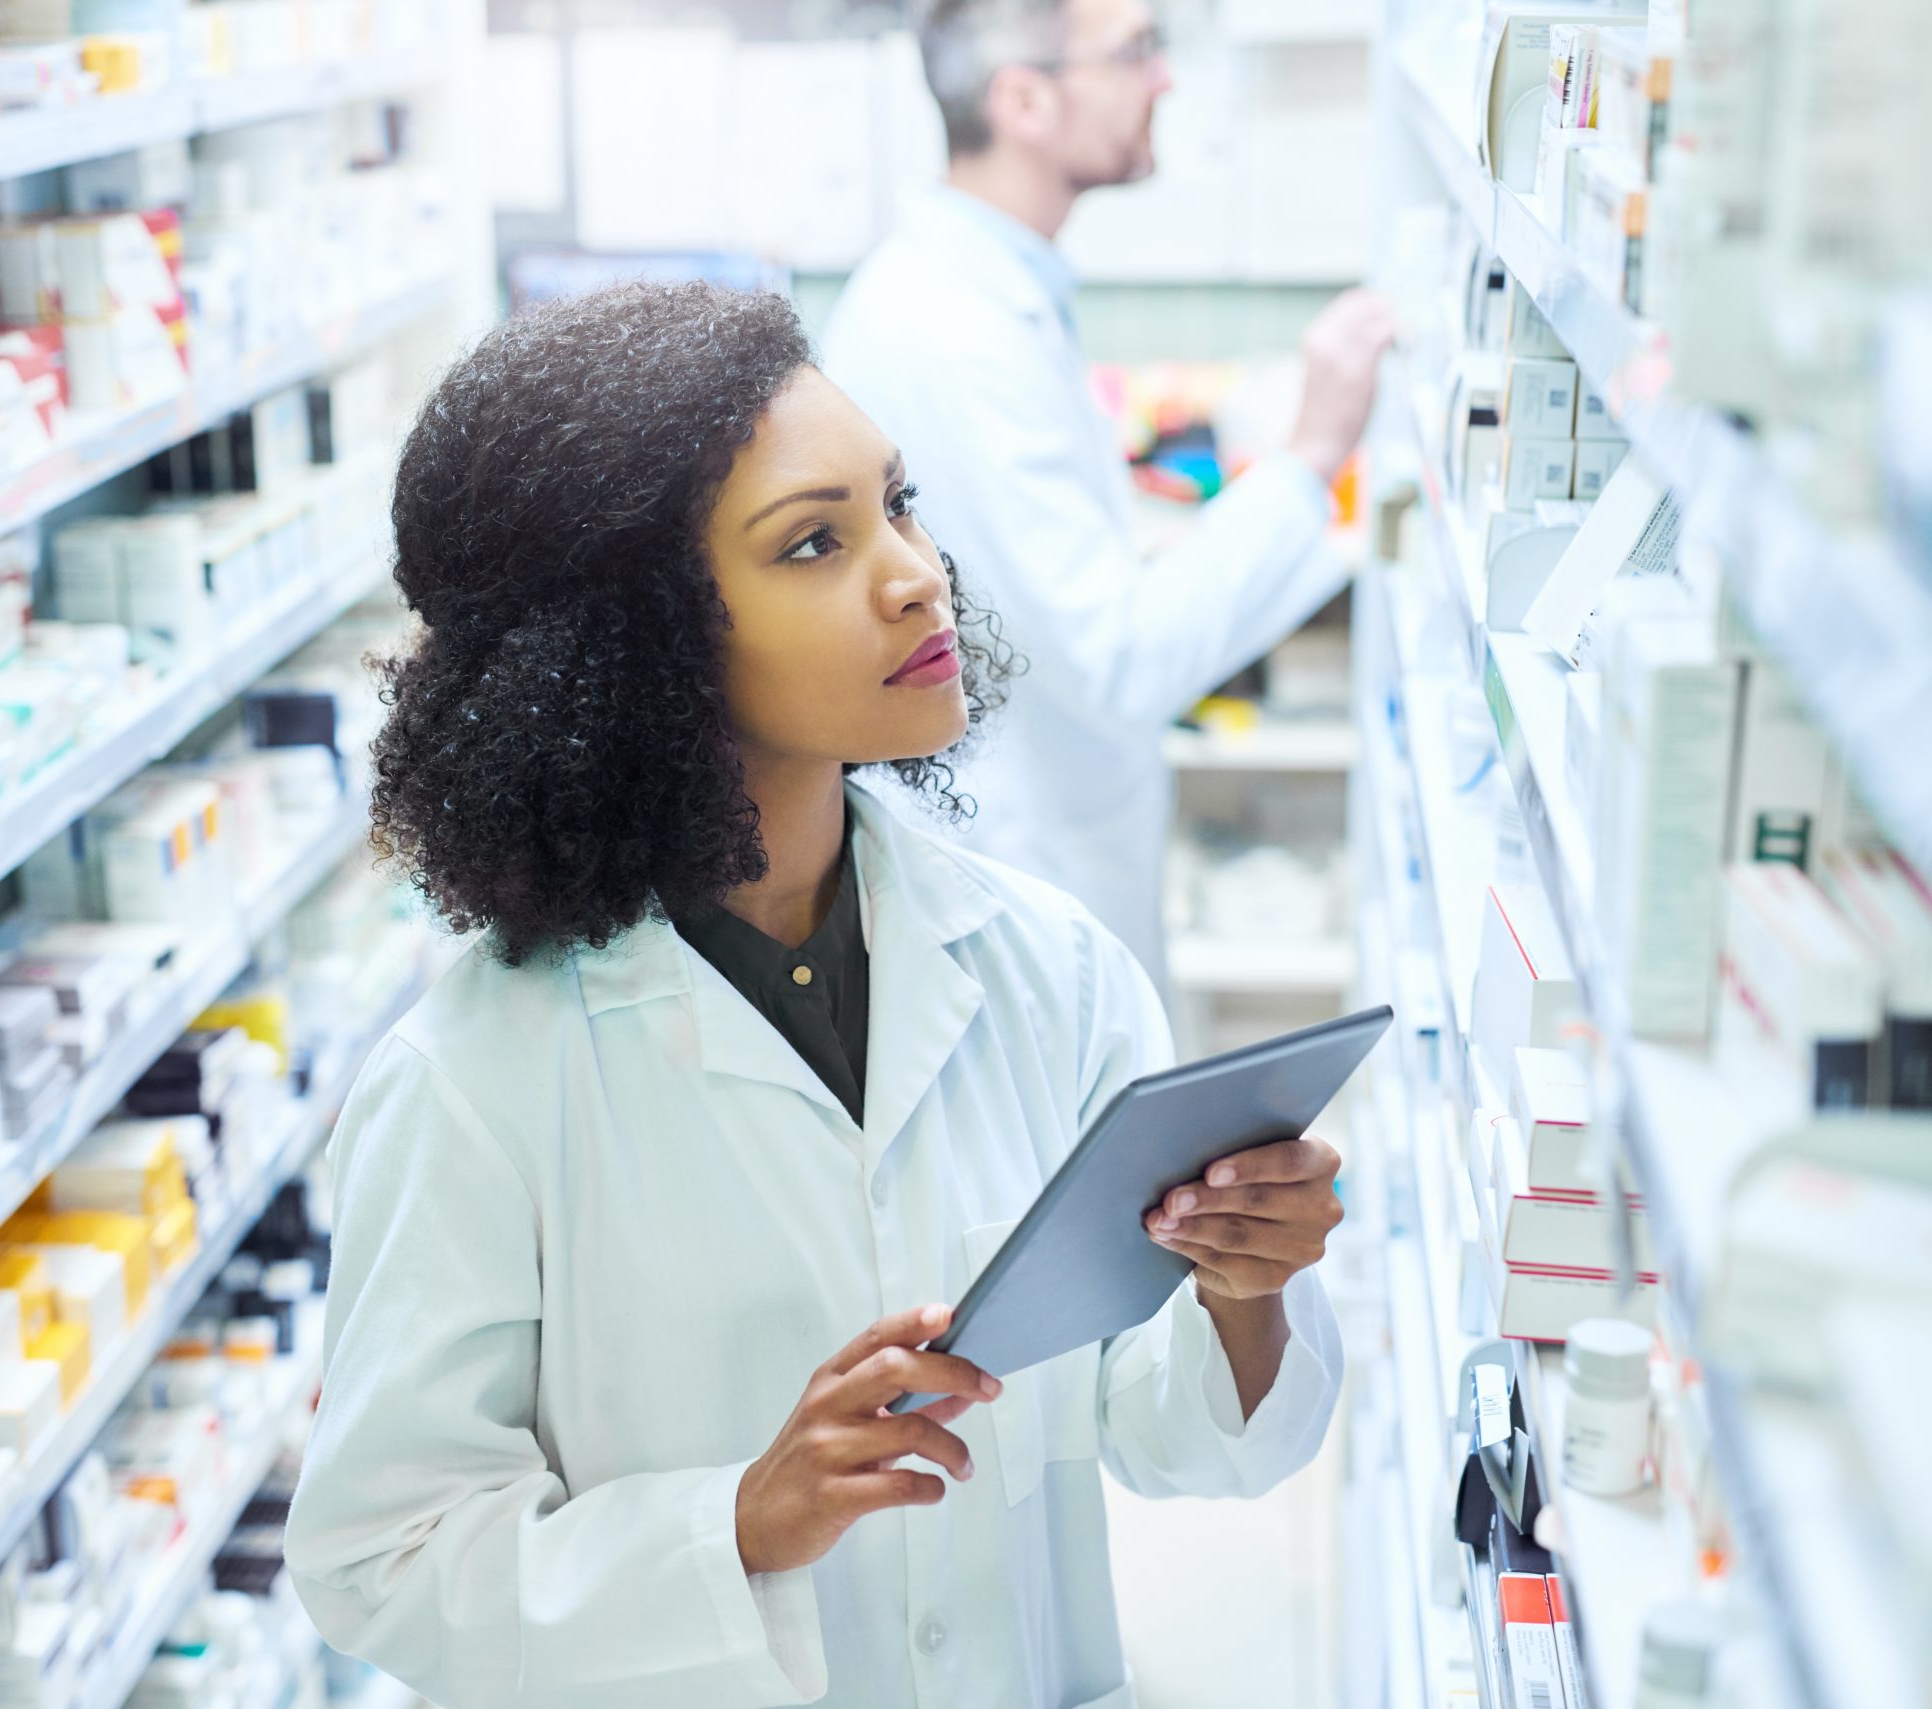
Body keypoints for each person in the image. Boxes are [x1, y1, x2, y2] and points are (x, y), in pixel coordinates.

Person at [285, 282, 1346, 1709]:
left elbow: (1160, 1427)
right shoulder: (476, 1082)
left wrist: (1240, 1293)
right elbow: (384, 1559)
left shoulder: (1049, 969)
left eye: (898, 505)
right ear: (638, 645)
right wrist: (738, 1524)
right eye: (815, 543)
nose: (914, 574)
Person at [821, 0, 1399, 989]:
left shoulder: (990, 290)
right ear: (1024, 101)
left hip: (1036, 851)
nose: (1165, 78)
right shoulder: (956, 326)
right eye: (1135, 51)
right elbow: (1120, 657)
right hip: (1012, 874)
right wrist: (1310, 455)